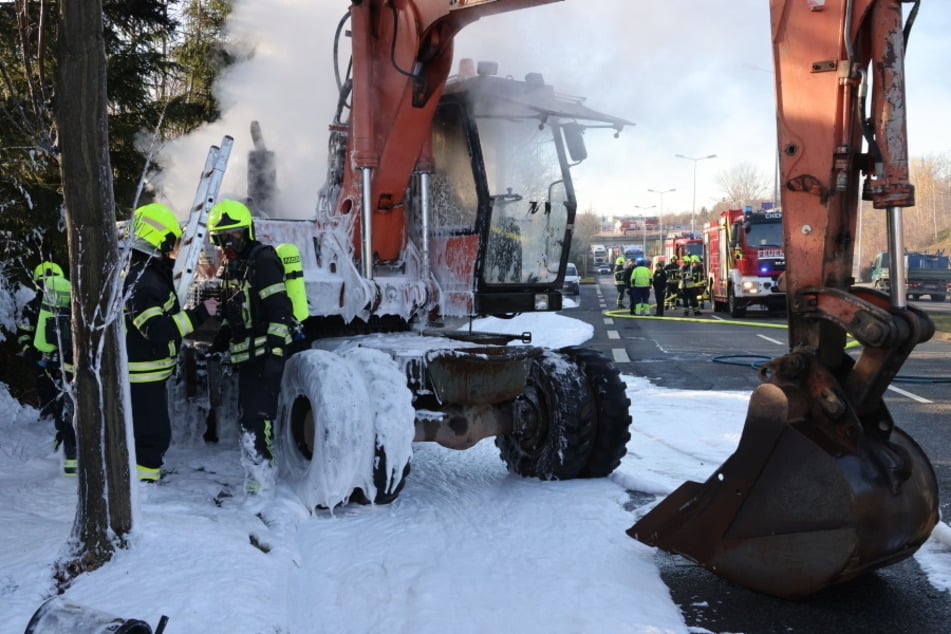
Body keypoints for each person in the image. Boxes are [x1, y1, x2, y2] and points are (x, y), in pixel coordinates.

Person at [125, 203, 219, 482]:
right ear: (162, 240)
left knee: (147, 433)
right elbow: (156, 329)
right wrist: (201, 314)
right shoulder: (146, 283)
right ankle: (144, 486)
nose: (176, 248)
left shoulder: (142, 274)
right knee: (153, 436)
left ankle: (142, 480)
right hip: (143, 373)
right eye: (173, 241)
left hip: (144, 371)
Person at [207, 199, 294, 494]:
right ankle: (255, 478)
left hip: (265, 356)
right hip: (247, 358)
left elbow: (280, 310)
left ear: (248, 232)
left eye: (235, 235)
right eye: (223, 238)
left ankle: (262, 483)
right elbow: (235, 314)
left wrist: (276, 354)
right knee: (247, 418)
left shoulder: (263, 260)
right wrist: (220, 343)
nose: (229, 243)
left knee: (258, 419)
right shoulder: (232, 270)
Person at [28, 265, 77, 475]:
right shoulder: (35, 306)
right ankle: (65, 449)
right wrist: (32, 354)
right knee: (62, 403)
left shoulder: (39, 305)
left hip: (59, 362)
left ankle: (66, 450)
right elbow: (26, 332)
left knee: (65, 405)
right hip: (56, 362)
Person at [17, 262, 65, 421]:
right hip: (41, 359)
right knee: (46, 390)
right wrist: (28, 350)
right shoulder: (31, 307)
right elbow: (24, 332)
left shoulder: (70, 305)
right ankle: (48, 419)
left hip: (66, 357)